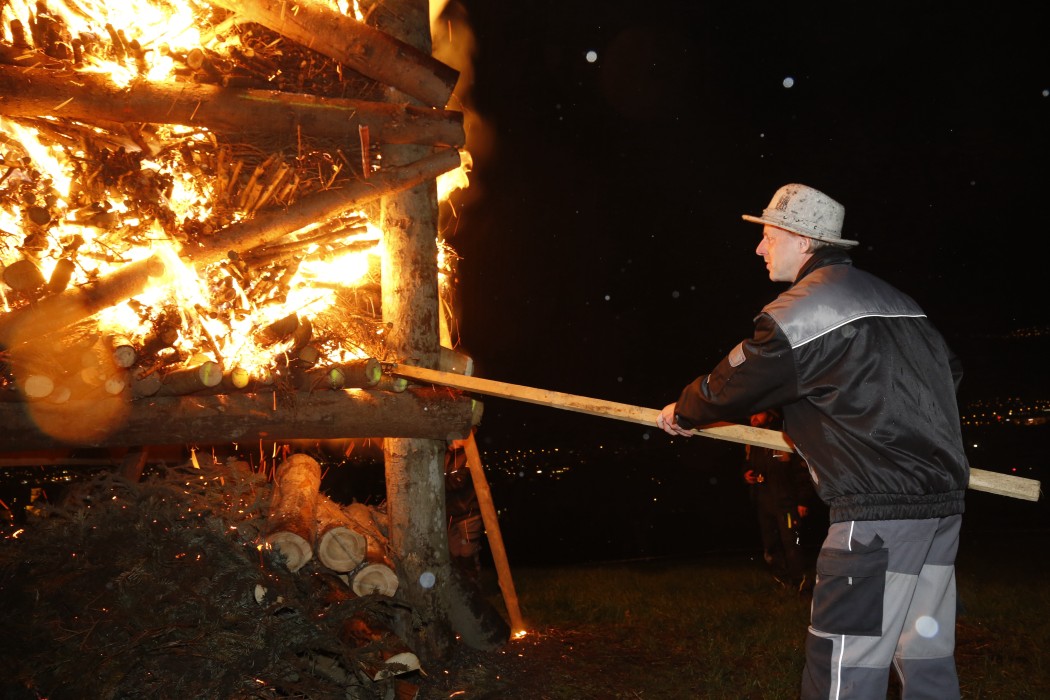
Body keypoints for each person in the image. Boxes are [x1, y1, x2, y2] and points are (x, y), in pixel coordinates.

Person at [657, 183, 969, 699]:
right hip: (941, 509)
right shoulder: (900, 303)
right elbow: (948, 375)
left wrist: (685, 410)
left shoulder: (798, 312)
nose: (760, 248)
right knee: (925, 656)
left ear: (803, 241)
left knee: (844, 667)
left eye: (769, 236)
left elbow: (733, 382)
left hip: (875, 516)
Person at [742, 409, 815, 593]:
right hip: (763, 502)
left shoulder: (785, 437)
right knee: (771, 545)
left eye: (758, 413)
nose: (754, 417)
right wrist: (746, 475)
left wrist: (803, 501)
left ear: (771, 415)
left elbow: (801, 471)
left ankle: (801, 582)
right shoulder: (751, 441)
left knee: (792, 543)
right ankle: (783, 581)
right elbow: (748, 465)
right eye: (751, 414)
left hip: (787, 503)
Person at [445, 437, 484, 580]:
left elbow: (459, 482)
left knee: (468, 555)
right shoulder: (445, 456)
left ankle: (475, 591)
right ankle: (462, 591)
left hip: (468, 514)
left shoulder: (469, 455)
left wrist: (439, 482)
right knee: (454, 556)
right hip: (450, 516)